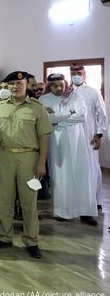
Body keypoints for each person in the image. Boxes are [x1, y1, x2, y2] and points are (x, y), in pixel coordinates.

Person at [0, 71, 52, 259]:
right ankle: (4, 237)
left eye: (19, 83)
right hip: (4, 156)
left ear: (26, 85)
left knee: (29, 202)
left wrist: (41, 163)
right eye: (11, 84)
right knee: (4, 200)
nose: (15, 87)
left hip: (29, 159)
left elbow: (44, 137)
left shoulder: (37, 107)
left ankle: (31, 241)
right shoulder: (0, 106)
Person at [39, 73, 97, 225]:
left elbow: (82, 116)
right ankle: (62, 211)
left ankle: (85, 211)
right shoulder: (43, 100)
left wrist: (59, 118)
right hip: (56, 140)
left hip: (78, 139)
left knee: (81, 174)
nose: (59, 88)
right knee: (60, 175)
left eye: (61, 85)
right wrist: (69, 113)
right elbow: (48, 119)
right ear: (49, 86)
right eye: (55, 85)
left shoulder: (75, 97)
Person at [70, 64, 108, 211]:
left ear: (85, 74)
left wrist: (99, 135)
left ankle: (95, 199)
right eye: (73, 73)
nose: (76, 75)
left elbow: (102, 115)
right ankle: (76, 199)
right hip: (71, 135)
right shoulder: (67, 92)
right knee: (74, 167)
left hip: (89, 135)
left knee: (92, 167)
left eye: (79, 72)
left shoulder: (93, 92)